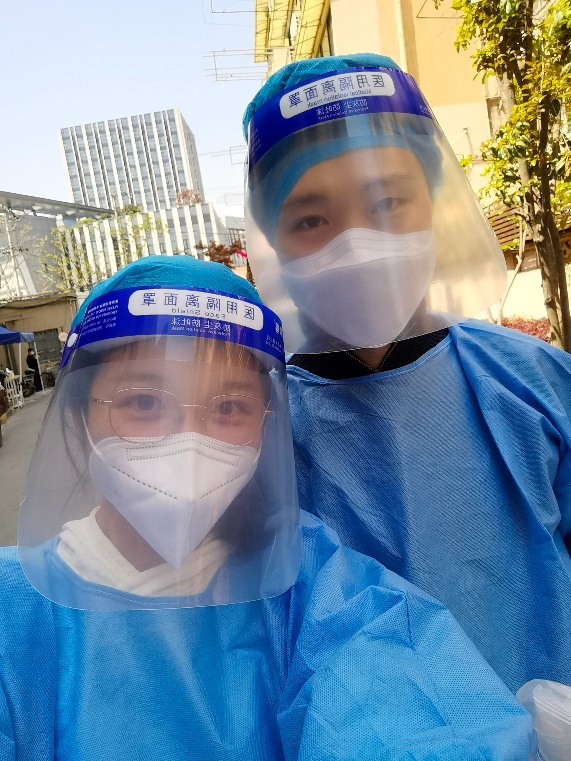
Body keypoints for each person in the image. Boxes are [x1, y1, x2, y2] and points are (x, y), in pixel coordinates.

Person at [0, 255, 534, 760]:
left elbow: (407, 708)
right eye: (143, 402)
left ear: (266, 422)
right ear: (77, 417)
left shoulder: (310, 582)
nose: (188, 442)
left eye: (230, 407)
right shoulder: (13, 608)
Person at [242, 53, 571, 695]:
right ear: (273, 240)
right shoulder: (254, 430)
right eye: (311, 219)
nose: (357, 243)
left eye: (389, 201)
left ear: (434, 201)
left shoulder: (532, 383)